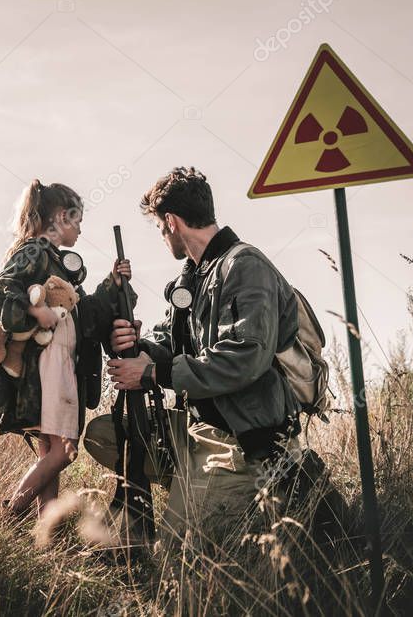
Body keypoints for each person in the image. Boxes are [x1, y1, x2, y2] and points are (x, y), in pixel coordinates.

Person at [85, 166, 307, 553]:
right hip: (195, 431)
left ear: (170, 222)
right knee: (106, 434)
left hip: (241, 443)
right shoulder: (191, 277)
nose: (161, 236)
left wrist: (154, 372)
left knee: (177, 558)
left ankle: (239, 501)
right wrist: (138, 345)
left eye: (158, 227)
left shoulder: (244, 266)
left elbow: (244, 357)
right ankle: (191, 492)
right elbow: (170, 342)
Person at [0, 179, 135, 522]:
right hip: (48, 365)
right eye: (77, 221)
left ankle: (45, 535)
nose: (80, 229)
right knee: (65, 451)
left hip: (54, 362)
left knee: (50, 451)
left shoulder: (55, 261)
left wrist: (114, 283)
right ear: (62, 217)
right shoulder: (36, 251)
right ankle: (11, 512)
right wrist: (36, 311)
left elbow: (83, 315)